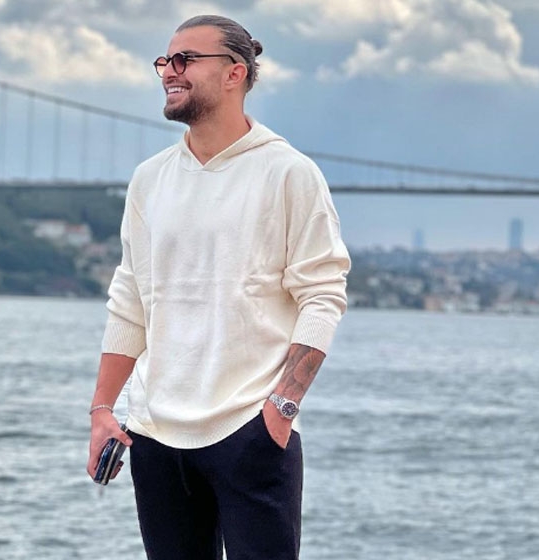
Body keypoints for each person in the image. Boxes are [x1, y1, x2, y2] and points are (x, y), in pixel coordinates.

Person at [86, 14, 350, 560]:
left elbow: (322, 294)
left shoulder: (289, 173)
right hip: (154, 435)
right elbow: (130, 299)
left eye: (185, 60)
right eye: (165, 60)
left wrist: (281, 408)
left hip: (249, 430)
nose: (169, 71)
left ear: (235, 73)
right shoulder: (150, 179)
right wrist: (102, 410)